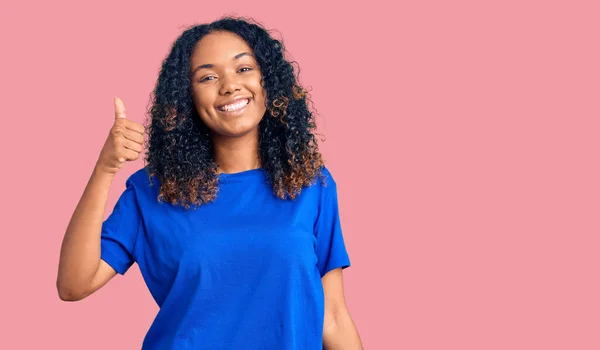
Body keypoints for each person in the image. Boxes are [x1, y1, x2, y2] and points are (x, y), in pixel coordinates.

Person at [57, 16, 363, 349]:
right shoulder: (153, 191)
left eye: (243, 69)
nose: (230, 85)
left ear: (267, 81)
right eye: (208, 76)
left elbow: (332, 316)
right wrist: (105, 168)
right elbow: (73, 285)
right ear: (188, 98)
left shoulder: (310, 184)